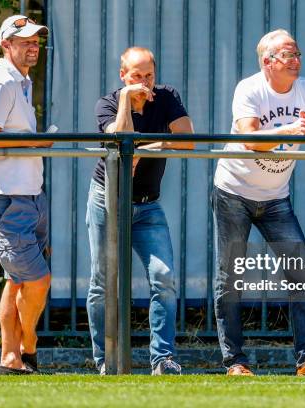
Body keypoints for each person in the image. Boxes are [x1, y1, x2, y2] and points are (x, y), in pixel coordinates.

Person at [212, 29, 305, 376]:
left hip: (275, 196)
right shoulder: (249, 88)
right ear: (268, 62)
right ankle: (235, 363)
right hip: (233, 191)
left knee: (304, 274)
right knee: (230, 278)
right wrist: (290, 130)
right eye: (289, 54)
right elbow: (250, 139)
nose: (297, 60)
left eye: (298, 54)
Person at [86, 47, 194, 375]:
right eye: (136, 76)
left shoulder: (167, 97)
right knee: (103, 281)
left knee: (163, 277)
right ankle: (106, 359)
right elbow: (121, 138)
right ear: (123, 75)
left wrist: (144, 149)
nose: (144, 82)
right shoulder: (107, 103)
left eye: (149, 75)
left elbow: (187, 140)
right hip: (108, 199)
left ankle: (163, 359)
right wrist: (125, 101)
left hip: (148, 205)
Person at [0, 15, 52, 375]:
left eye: (36, 41)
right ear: (6, 44)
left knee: (17, 279)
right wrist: (36, 140)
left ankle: (10, 359)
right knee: (38, 279)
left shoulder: (19, 82)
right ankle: (29, 345)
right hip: (5, 197)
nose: (33, 47)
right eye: (25, 42)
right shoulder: (1, 82)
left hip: (28, 193)